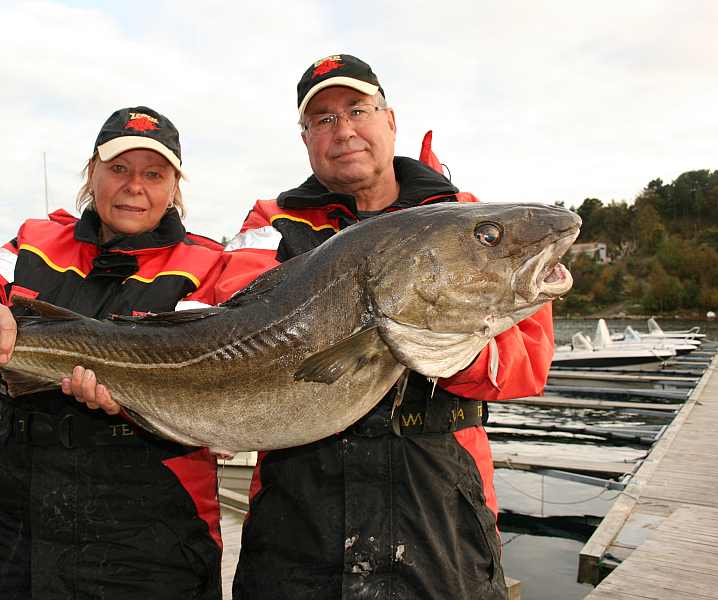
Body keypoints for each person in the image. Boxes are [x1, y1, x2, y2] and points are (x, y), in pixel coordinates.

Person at [214, 55, 556, 599]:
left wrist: (442, 340)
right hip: (300, 503)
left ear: (390, 120)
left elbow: (529, 365)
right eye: (323, 119)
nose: (343, 130)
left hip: (440, 498)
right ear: (305, 138)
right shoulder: (269, 222)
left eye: (357, 109)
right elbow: (233, 325)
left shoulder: (469, 220)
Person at [0, 106, 225, 600]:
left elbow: (211, 361)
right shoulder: (37, 240)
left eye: (153, 173)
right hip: (9, 512)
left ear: (174, 188)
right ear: (91, 173)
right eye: (118, 168)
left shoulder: (209, 263)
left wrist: (132, 396)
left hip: (148, 527)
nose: (134, 186)